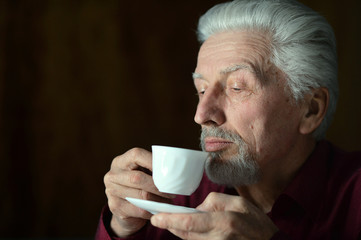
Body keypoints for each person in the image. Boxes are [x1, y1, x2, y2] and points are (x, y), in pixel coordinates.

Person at [96, 0, 361, 239]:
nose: (201, 115)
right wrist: (123, 227)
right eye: (201, 90)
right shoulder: (178, 194)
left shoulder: (354, 195)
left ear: (310, 110)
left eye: (236, 87)